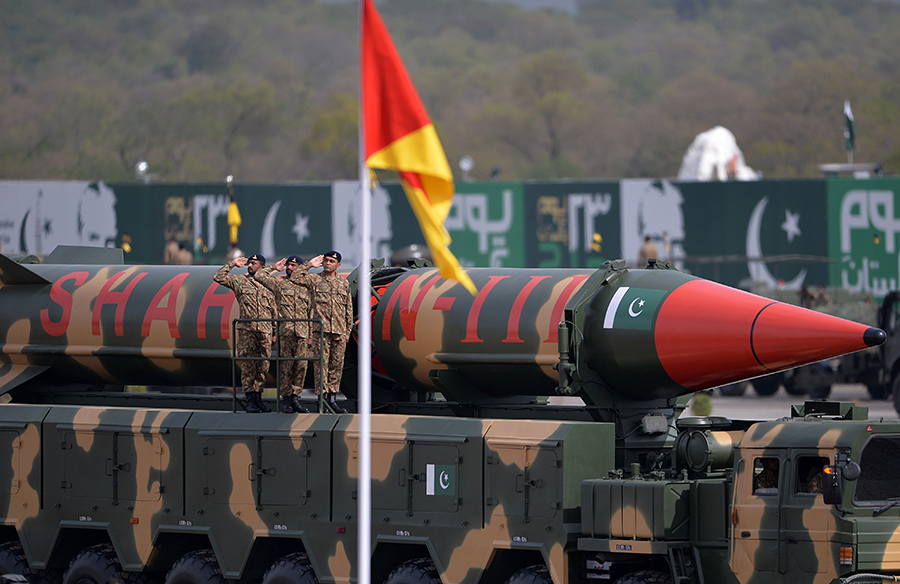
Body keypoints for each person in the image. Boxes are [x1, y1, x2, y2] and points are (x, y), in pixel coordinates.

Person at [213, 254, 276, 413]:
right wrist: (232, 264)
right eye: (249, 263)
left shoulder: (269, 285)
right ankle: (249, 400)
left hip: (265, 332)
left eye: (254, 263)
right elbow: (218, 277)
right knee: (248, 366)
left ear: (261, 266)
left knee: (263, 367)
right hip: (248, 332)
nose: (250, 265)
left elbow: (274, 311)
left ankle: (258, 398)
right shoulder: (240, 281)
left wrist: (274, 331)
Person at [293, 251, 352, 413]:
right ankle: (322, 400)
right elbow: (295, 278)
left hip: (339, 331)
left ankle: (332, 399)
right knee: (321, 366)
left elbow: (348, 308)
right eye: (326, 261)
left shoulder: (343, 283)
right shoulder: (314, 279)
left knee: (336, 366)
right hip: (320, 331)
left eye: (331, 261)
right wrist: (310, 264)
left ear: (338, 265)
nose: (327, 263)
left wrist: (347, 331)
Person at [256, 255, 314, 414]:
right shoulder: (279, 283)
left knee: (301, 366)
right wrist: (275, 267)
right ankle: (286, 401)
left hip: (302, 333)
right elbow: (259, 275)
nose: (290, 268)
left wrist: (310, 335)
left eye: (294, 266)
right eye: (288, 265)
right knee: (286, 367)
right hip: (286, 332)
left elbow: (311, 312)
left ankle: (296, 398)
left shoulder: (307, 286)